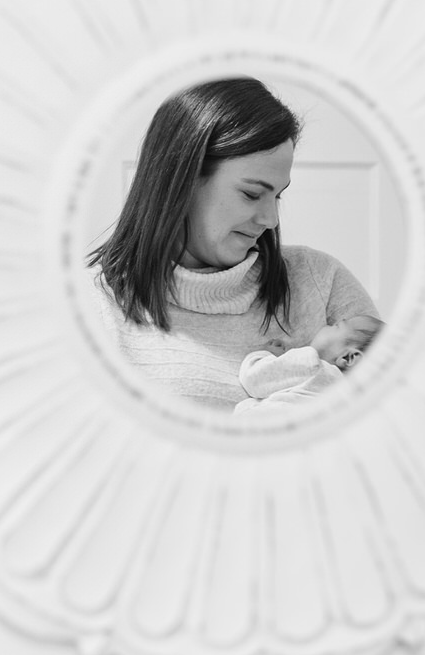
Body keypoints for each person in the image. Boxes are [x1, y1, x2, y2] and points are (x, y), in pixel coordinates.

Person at [89, 76, 380, 412]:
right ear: (183, 181)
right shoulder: (94, 309)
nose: (271, 219)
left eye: (277, 195)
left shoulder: (321, 281)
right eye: (252, 194)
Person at [232, 314, 383, 414]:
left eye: (336, 326)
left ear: (349, 358)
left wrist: (267, 355)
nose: (328, 324)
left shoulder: (312, 363)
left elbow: (253, 379)